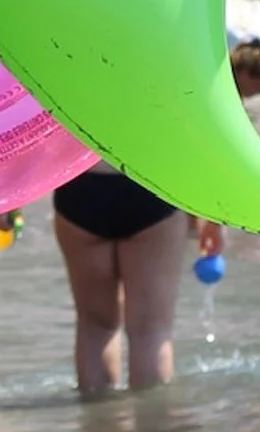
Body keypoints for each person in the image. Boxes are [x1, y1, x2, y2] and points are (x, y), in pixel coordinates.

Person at [51, 167, 224, 393]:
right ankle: (153, 423)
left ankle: (96, 422)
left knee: (95, 326)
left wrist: (8, 200)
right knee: (151, 331)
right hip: (151, 183)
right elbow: (204, 137)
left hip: (79, 187)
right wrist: (214, 215)